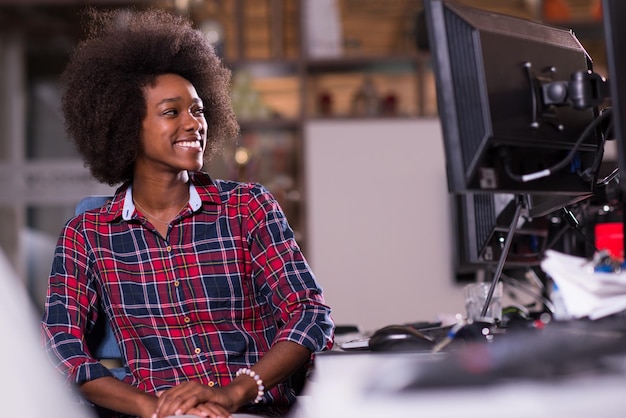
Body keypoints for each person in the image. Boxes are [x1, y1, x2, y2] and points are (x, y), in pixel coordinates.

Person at [40, 7, 334, 418]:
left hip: (252, 409)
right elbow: (61, 346)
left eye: (197, 109)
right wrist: (151, 407)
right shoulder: (87, 234)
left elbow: (310, 314)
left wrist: (235, 392)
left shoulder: (248, 207)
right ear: (126, 125)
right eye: (171, 112)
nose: (194, 123)